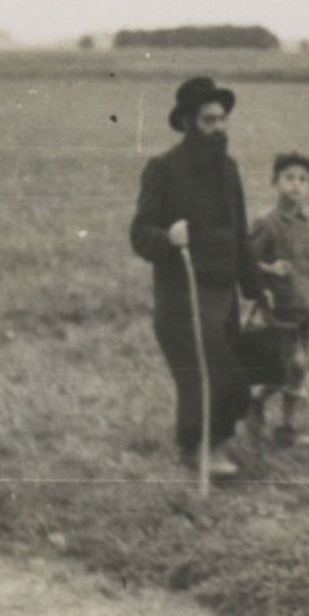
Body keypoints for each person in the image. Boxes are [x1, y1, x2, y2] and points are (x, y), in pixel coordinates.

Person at [129, 76, 267, 478]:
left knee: (226, 370)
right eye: (209, 120)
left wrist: (254, 288)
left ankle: (205, 447)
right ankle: (205, 452)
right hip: (182, 296)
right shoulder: (163, 169)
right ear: (189, 122)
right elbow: (140, 235)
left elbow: (240, 234)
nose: (219, 127)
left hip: (221, 297)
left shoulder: (229, 169)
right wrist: (168, 238)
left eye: (223, 119)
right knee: (208, 374)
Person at [248, 152, 309, 447]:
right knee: (288, 367)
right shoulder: (267, 222)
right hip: (277, 307)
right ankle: (254, 402)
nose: (296, 185)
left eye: (303, 180)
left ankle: (287, 428)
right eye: (289, 178)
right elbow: (245, 261)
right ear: (275, 182)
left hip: (305, 305)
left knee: (297, 370)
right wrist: (268, 268)